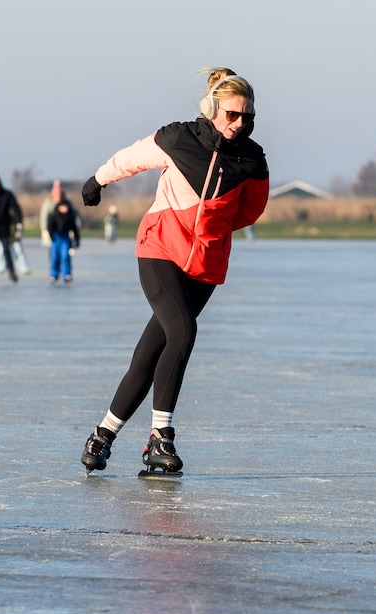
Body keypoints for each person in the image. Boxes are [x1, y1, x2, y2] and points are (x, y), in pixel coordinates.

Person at [78, 67, 269, 476]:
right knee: (183, 331)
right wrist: (97, 180)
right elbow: (131, 158)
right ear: (212, 109)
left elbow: (252, 209)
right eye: (231, 115)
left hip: (205, 264)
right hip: (161, 249)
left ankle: (103, 434)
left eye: (246, 117)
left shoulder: (252, 159)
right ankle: (160, 437)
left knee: (150, 355)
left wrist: (214, 229)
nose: (239, 124)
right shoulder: (179, 138)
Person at [47, 200, 80, 284]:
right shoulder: (53, 215)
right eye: (63, 207)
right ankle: (54, 274)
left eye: (66, 207)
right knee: (54, 258)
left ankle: (67, 274)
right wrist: (51, 236)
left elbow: (74, 229)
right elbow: (49, 227)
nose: (65, 209)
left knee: (65, 256)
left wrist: (77, 239)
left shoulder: (70, 217)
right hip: (56, 238)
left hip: (65, 238)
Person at [38, 179, 64, 247]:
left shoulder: (65, 202)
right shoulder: (48, 202)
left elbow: (72, 214)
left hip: (63, 230)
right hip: (51, 229)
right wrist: (44, 229)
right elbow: (44, 215)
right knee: (52, 247)